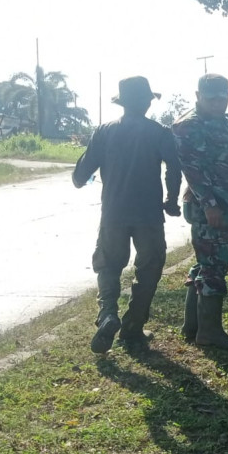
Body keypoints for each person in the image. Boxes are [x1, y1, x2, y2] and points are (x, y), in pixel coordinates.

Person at [72, 76, 182, 353]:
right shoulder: (160, 133)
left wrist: (86, 160)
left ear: (122, 103)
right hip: (149, 215)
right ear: (147, 102)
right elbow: (173, 168)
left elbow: (79, 177)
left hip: (113, 214)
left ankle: (108, 314)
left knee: (108, 265)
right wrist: (171, 200)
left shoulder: (105, 131)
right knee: (149, 269)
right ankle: (133, 326)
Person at [173, 74, 228, 349]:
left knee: (207, 263)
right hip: (210, 207)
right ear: (198, 95)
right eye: (212, 98)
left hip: (225, 204)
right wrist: (210, 205)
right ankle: (209, 333)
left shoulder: (218, 121)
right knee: (215, 266)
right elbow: (192, 169)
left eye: (223, 97)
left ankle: (193, 327)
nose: (219, 103)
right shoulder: (190, 125)